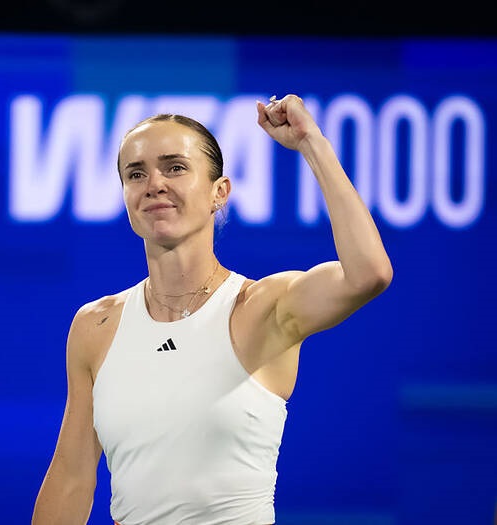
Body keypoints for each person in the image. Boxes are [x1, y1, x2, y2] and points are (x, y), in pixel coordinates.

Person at [31, 94, 393, 525]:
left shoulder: (262, 307)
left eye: (175, 167)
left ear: (218, 192)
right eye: (136, 173)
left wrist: (312, 143)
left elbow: (368, 274)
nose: (154, 184)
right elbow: (71, 479)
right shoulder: (96, 324)